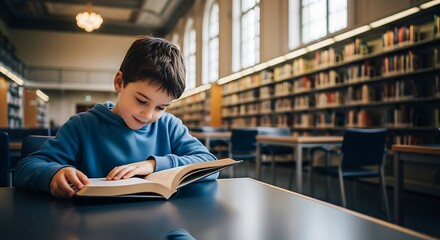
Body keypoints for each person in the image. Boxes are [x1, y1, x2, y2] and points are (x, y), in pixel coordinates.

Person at [14, 35, 217, 198]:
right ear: (119, 82)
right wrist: (53, 175)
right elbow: (25, 168)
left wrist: (153, 165)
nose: (148, 115)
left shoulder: (169, 125)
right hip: (92, 223)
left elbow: (209, 164)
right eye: (141, 100)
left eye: (161, 107)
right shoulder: (82, 126)